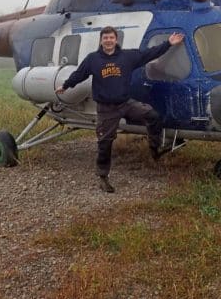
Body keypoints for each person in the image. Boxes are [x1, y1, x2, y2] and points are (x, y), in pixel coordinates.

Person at [56, 26, 185, 193]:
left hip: (126, 104)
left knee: (152, 115)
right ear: (101, 41)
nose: (108, 40)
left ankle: (155, 149)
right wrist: (66, 85)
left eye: (111, 38)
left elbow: (150, 53)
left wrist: (168, 43)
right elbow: (79, 74)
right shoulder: (93, 59)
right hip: (106, 109)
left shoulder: (127, 57)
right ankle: (103, 177)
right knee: (104, 143)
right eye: (105, 38)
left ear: (116, 40)